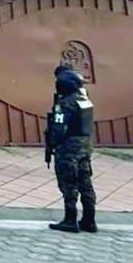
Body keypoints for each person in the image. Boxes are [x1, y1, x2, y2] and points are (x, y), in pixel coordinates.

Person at [45, 64, 97, 233]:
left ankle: (70, 220)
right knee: (86, 184)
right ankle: (89, 220)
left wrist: (52, 144)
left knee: (69, 185)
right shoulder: (85, 100)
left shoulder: (65, 103)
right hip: (84, 148)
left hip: (68, 150)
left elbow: (59, 128)